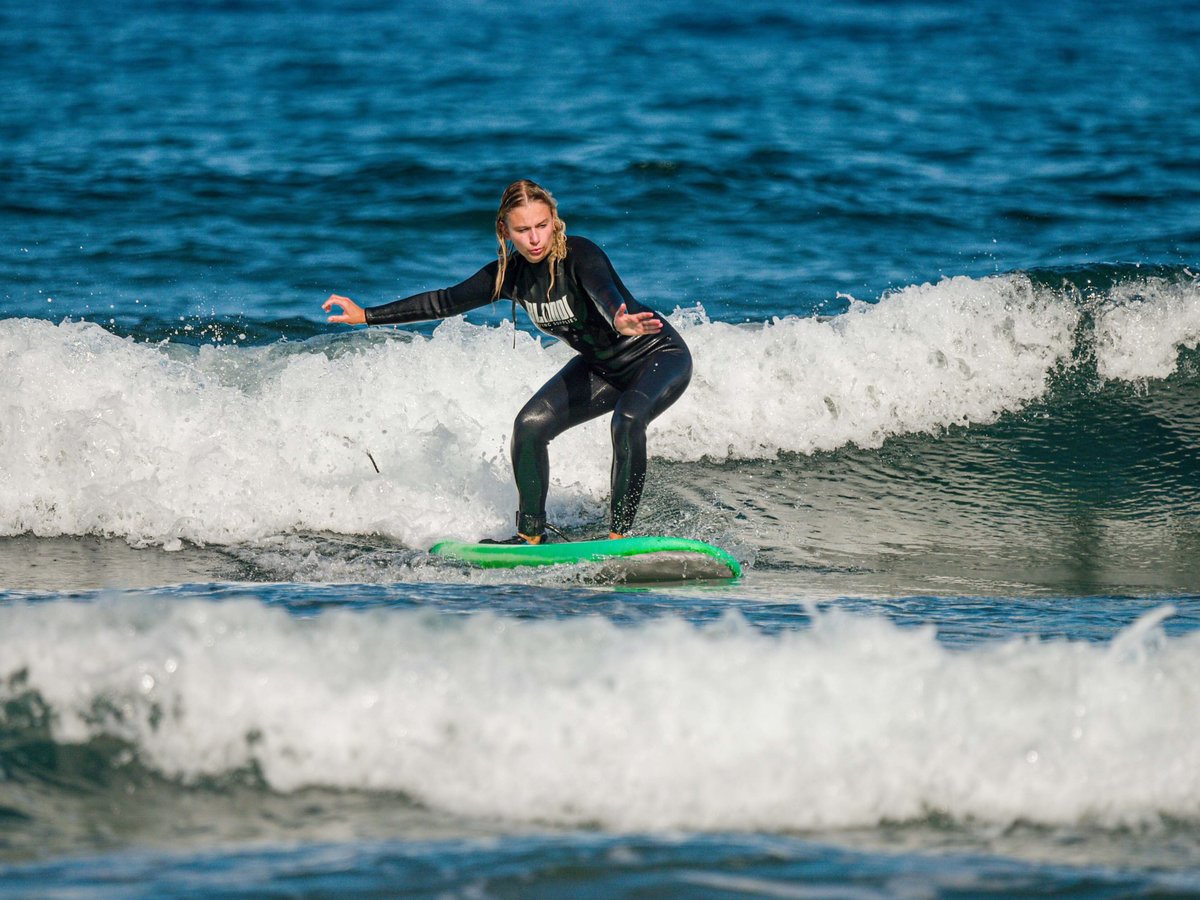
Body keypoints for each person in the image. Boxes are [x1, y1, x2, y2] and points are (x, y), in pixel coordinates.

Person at [323, 180, 692, 545]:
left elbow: (604, 290)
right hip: (602, 368)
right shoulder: (509, 274)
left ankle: (620, 536)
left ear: (554, 221)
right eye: (523, 230)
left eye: (542, 226)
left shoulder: (579, 254)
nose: (535, 239)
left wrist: (618, 319)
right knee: (529, 427)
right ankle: (531, 534)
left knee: (627, 419)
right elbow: (443, 301)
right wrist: (366, 315)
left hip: (656, 355)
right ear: (505, 230)